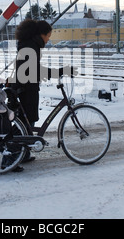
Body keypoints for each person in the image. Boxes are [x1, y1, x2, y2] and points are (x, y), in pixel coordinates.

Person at [14, 19, 77, 162]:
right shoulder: (31, 46)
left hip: (25, 87)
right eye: (48, 36)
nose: (48, 39)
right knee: (27, 121)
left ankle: (22, 154)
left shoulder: (29, 44)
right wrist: (61, 71)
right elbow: (34, 71)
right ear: (41, 34)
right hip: (26, 89)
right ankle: (14, 155)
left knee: (27, 122)